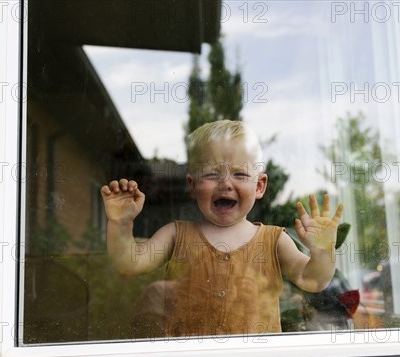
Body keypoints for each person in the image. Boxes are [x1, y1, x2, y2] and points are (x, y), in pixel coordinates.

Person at [101, 120, 344, 338]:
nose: (225, 183)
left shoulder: (274, 240)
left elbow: (312, 280)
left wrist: (323, 251)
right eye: (211, 174)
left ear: (259, 186)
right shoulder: (175, 235)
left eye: (239, 174)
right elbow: (129, 263)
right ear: (192, 186)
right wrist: (121, 224)